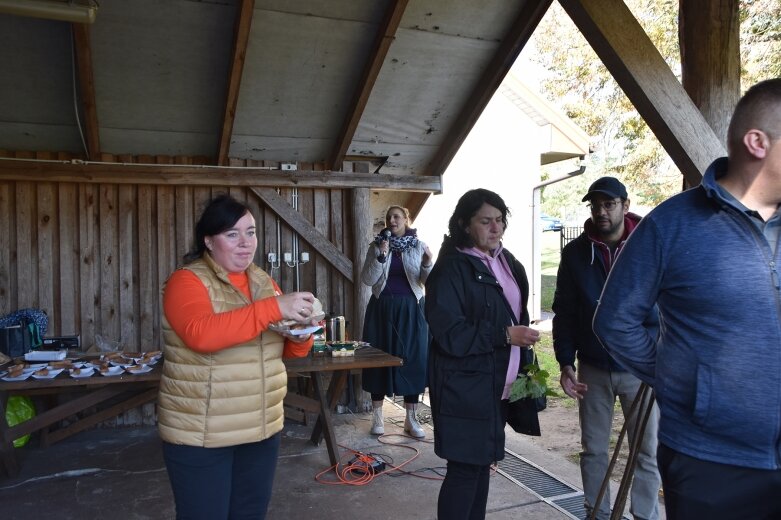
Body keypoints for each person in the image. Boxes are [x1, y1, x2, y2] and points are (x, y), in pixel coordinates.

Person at [593, 78, 781, 520]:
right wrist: (684, 380)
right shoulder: (672, 225)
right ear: (758, 143)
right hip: (707, 463)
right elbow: (615, 320)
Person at [157, 194, 318, 520]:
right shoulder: (186, 281)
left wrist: (304, 332)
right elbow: (201, 334)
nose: (246, 243)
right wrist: (274, 308)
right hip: (202, 435)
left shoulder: (263, 282)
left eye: (251, 232)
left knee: (249, 514)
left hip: (261, 429)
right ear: (208, 240)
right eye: (232, 234)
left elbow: (284, 350)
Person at [425, 189, 540, 520]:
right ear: (464, 224)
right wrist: (505, 335)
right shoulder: (450, 270)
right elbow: (449, 334)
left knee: (480, 467)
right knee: (464, 470)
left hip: (498, 386)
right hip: (464, 387)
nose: (496, 228)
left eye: (500, 220)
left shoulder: (508, 261)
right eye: (485, 221)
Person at [552, 176, 661, 520]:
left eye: (609, 204)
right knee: (594, 449)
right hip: (594, 367)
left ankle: (644, 514)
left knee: (647, 450)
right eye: (595, 205)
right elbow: (565, 310)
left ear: (625, 206)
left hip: (640, 368)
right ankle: (596, 511)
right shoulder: (575, 253)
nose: (601, 211)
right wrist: (565, 361)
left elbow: (668, 302)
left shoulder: (649, 245)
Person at [360, 205, 433, 438]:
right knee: (378, 358)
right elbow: (367, 279)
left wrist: (428, 262)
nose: (392, 220)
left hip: (412, 309)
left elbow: (426, 281)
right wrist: (381, 255)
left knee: (413, 359)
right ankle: (378, 417)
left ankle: (410, 420)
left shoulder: (419, 246)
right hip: (382, 308)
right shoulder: (377, 246)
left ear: (406, 219)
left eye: (397, 216)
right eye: (388, 217)